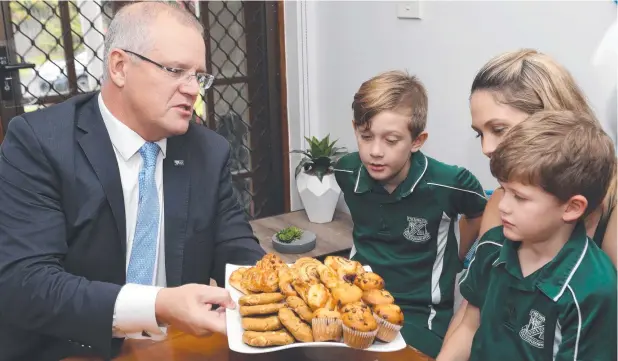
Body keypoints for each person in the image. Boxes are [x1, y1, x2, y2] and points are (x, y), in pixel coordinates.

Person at [0, 3, 265, 360]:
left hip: (177, 348)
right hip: (71, 350)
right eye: (176, 71)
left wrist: (289, 288)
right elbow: (26, 282)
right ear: (120, 67)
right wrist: (156, 304)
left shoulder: (208, 150)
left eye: (198, 76)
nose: (192, 89)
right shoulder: (38, 142)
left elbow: (236, 248)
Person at [444, 49, 618, 344]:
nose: (487, 148)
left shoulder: (612, 210)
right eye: (480, 134)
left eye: (499, 129)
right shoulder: (501, 202)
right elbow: (472, 310)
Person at [334, 70, 487, 358]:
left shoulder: (449, 183)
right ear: (355, 129)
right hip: (357, 299)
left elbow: (480, 213)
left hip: (420, 311)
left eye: (391, 140)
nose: (375, 152)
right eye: (366, 136)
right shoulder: (345, 171)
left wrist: (455, 258)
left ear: (417, 140)